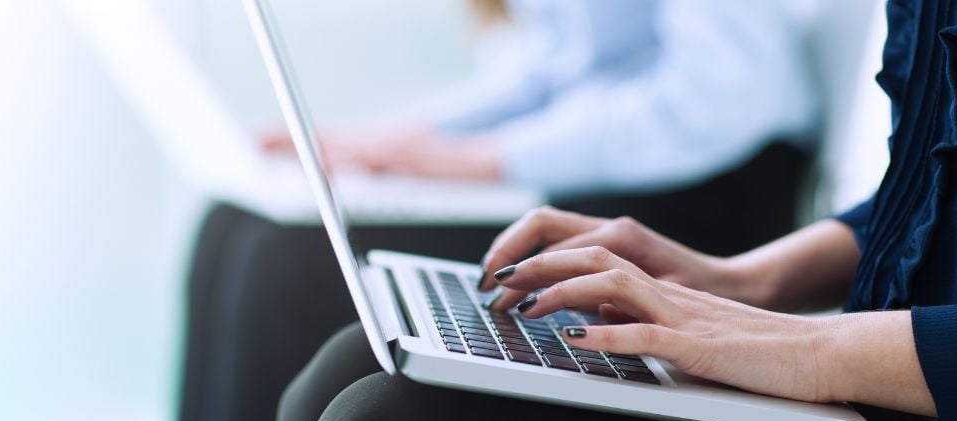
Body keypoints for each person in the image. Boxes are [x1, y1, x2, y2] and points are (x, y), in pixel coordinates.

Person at [273, 0, 957, 421]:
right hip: (895, 389)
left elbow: (716, 95)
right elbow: (936, 189)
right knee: (348, 367)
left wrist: (811, 349)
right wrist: (741, 282)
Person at [264, 0, 819, 256]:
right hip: (612, 167)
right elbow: (556, 60)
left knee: (290, 258)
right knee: (247, 229)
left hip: (708, 195)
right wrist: (388, 142)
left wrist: (484, 159)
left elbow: (718, 97)